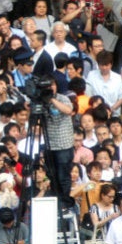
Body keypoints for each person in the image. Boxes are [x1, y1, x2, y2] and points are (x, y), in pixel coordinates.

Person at [44, 75, 75, 210]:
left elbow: (68, 110)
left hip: (64, 144)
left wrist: (51, 99)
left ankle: (65, 201)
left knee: (63, 175)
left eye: (53, 85)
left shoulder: (63, 98)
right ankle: (55, 198)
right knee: (52, 174)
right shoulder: (41, 101)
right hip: (49, 144)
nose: (51, 87)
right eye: (48, 86)